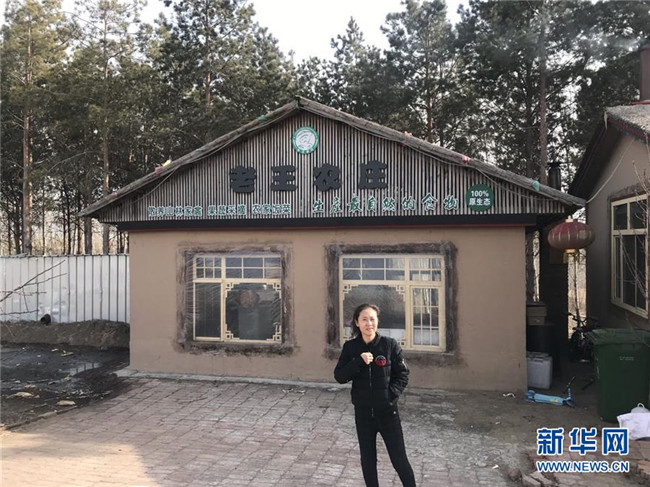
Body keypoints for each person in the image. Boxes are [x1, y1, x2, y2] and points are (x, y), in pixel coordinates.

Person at [334, 303, 417, 487]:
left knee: (399, 459)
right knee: (368, 460)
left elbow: (403, 374)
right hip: (363, 414)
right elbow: (339, 376)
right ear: (357, 322)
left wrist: (390, 396)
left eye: (372, 319)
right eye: (364, 319)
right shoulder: (350, 347)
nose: (369, 323)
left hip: (388, 413)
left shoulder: (389, 345)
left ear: (378, 321)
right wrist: (358, 362)